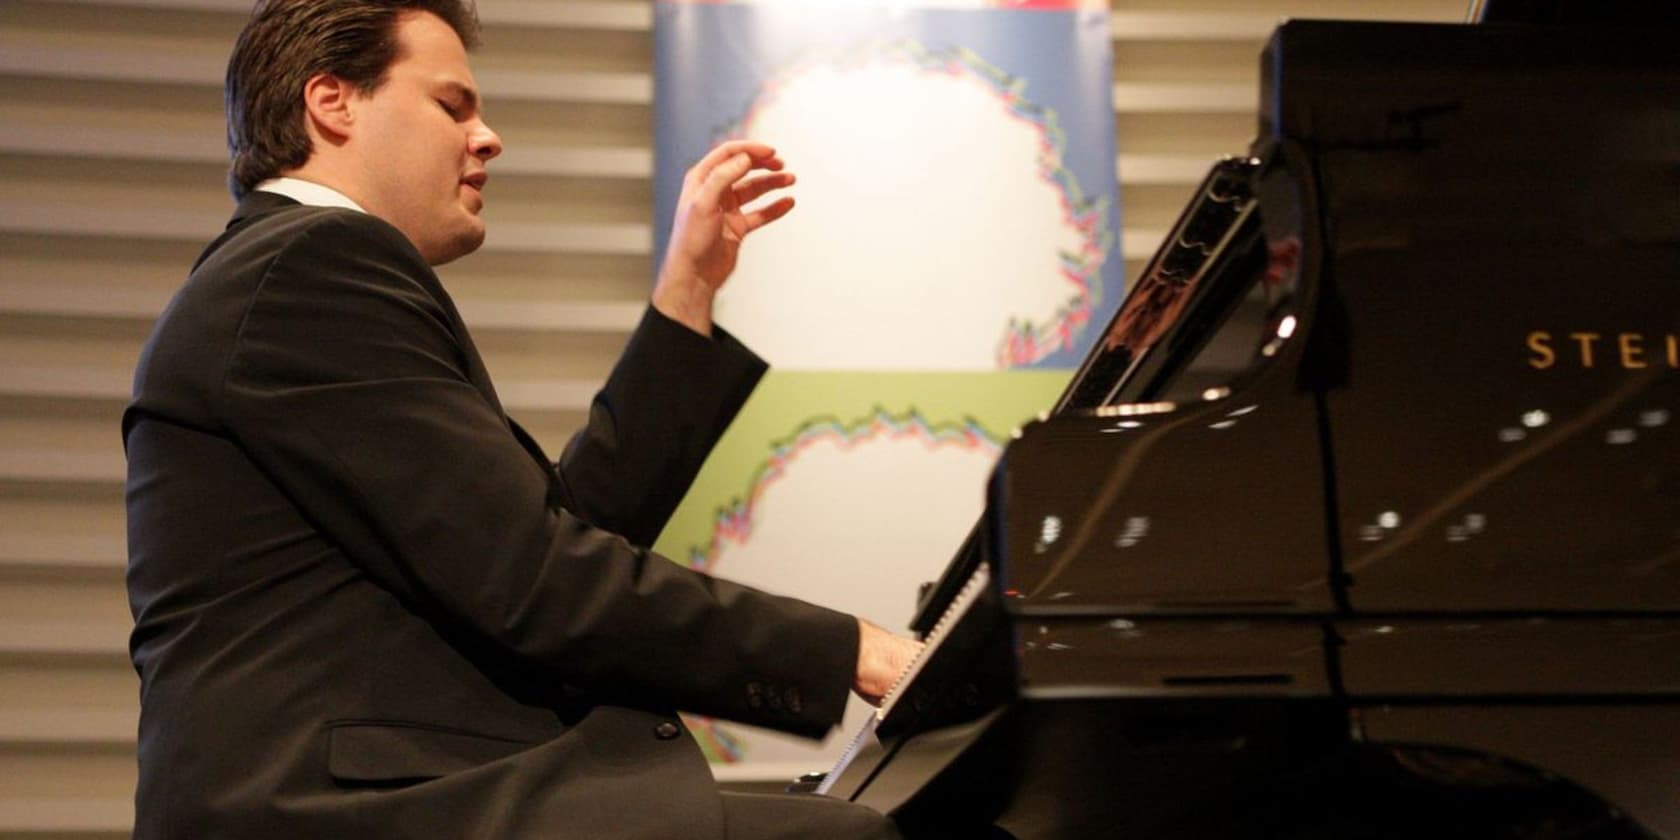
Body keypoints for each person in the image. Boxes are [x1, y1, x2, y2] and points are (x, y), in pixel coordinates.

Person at [121, 1, 920, 837]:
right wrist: (850, 650)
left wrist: (686, 296)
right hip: (349, 809)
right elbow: (536, 578)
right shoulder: (308, 266)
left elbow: (540, 541)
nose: (488, 135)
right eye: (452, 105)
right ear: (333, 102)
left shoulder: (288, 275)